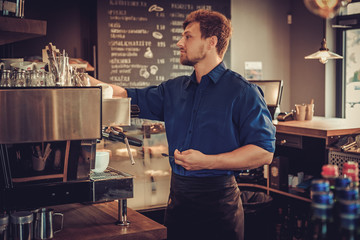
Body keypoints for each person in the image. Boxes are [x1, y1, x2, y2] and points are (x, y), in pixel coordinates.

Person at [90, 9, 276, 240]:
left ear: (211, 42)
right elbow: (127, 95)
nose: (179, 42)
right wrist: (88, 83)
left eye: (188, 36)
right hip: (179, 201)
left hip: (219, 204)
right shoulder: (173, 89)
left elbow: (264, 152)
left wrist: (207, 162)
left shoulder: (243, 91)